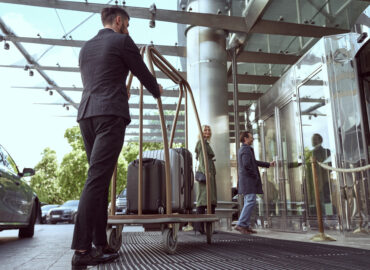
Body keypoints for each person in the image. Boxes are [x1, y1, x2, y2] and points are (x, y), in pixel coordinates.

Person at [71, 7, 162, 269]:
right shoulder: (122, 41)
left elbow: (99, 79)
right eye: (128, 24)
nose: (128, 29)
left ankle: (102, 245)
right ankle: (81, 250)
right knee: (96, 180)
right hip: (110, 115)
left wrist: (118, 89)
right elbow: (143, 73)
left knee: (99, 180)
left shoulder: (86, 47)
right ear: (119, 21)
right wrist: (157, 91)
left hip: (87, 115)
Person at [235, 131, 274, 234]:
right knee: (250, 201)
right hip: (248, 181)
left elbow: (254, 162)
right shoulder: (245, 149)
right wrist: (254, 175)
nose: (252, 139)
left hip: (247, 181)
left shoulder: (245, 149)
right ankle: (241, 224)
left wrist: (268, 164)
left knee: (249, 201)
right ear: (245, 139)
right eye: (251, 138)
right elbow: (247, 165)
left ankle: (245, 226)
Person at [194, 125, 217, 234]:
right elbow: (202, 159)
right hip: (206, 174)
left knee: (209, 200)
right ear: (201, 132)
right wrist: (205, 172)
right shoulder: (201, 143)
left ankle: (208, 228)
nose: (207, 131)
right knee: (203, 201)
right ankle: (200, 227)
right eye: (205, 130)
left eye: (209, 129)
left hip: (209, 173)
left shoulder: (205, 143)